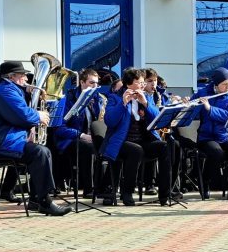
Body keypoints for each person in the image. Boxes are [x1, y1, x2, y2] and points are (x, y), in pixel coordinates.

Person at [0, 61, 70, 216]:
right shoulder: (5, 90)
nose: (26, 78)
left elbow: (13, 114)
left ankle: (36, 199)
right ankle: (44, 201)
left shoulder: (4, 88)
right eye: (22, 75)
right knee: (40, 153)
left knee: (40, 152)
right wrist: (38, 115)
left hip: (0, 140)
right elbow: (23, 116)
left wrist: (28, 94)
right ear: (11, 77)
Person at [100, 67, 174, 206]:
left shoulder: (146, 97)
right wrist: (123, 103)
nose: (142, 86)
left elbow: (157, 119)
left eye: (142, 83)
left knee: (165, 146)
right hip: (121, 142)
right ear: (129, 84)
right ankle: (127, 192)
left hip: (142, 140)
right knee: (136, 150)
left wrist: (145, 103)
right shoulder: (115, 98)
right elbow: (109, 121)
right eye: (139, 83)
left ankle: (165, 194)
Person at [53, 67, 107, 198]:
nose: (95, 86)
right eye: (91, 83)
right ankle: (89, 189)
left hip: (92, 139)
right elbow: (59, 128)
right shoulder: (68, 100)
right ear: (82, 82)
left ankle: (106, 187)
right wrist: (82, 135)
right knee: (89, 147)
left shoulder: (99, 100)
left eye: (96, 83)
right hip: (71, 140)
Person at [193, 67, 228, 200]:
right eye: (224, 84)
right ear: (216, 84)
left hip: (225, 134)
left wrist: (210, 109)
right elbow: (192, 111)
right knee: (216, 153)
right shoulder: (203, 93)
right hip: (206, 136)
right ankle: (205, 182)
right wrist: (188, 104)